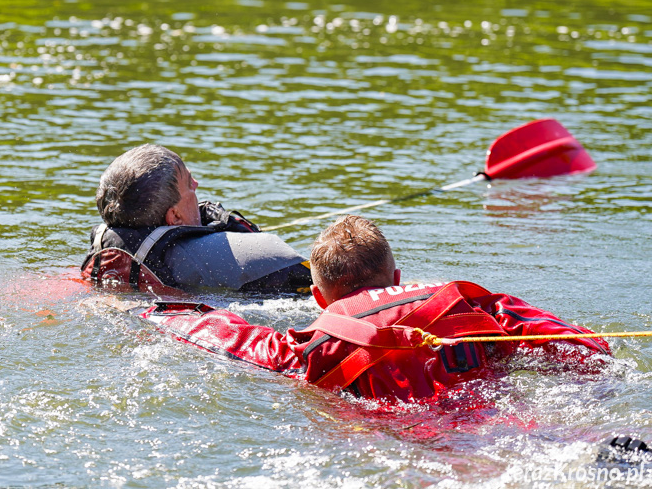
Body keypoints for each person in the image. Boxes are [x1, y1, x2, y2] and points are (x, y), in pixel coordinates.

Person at [131, 215, 610, 401]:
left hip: (401, 442)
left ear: (318, 297)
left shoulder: (314, 342)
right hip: (512, 417)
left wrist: (148, 311)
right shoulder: (465, 299)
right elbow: (588, 349)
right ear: (397, 278)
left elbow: (224, 334)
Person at [81, 144, 312, 296]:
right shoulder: (246, 255)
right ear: (175, 216)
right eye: (189, 183)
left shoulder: (106, 262)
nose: (196, 185)